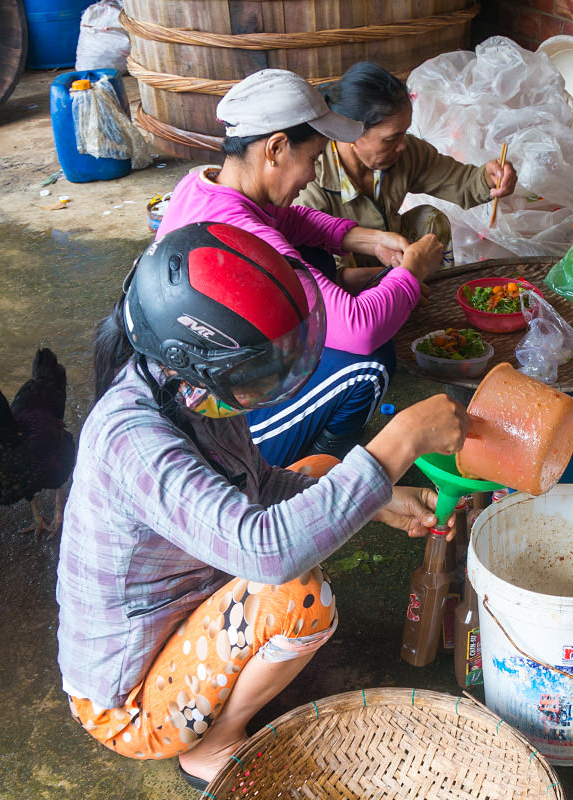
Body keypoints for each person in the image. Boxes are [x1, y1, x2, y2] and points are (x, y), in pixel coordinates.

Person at [57, 222, 468, 790]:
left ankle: (227, 678)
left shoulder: (185, 388)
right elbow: (267, 554)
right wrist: (396, 445)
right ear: (195, 362)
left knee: (327, 474)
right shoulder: (132, 440)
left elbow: (258, 485)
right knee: (298, 593)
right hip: (129, 701)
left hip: (190, 606)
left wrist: (379, 497)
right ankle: (216, 740)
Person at [157, 68, 445, 467]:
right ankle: (303, 480)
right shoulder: (240, 233)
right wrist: (411, 273)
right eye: (312, 159)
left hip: (208, 378)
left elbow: (292, 221)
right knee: (370, 362)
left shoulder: (203, 185)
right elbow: (360, 329)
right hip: (214, 428)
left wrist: (365, 239)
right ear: (275, 148)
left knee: (320, 264)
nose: (312, 174)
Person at [295, 61, 518, 268]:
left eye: (404, 133)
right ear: (351, 132)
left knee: (430, 219)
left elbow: (460, 182)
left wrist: (489, 178)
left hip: (393, 260)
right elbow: (322, 276)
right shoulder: (311, 179)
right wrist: (408, 274)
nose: (402, 146)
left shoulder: (403, 153)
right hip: (341, 288)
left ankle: (434, 299)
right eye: (391, 138)